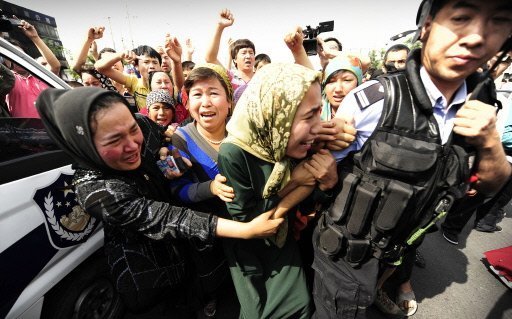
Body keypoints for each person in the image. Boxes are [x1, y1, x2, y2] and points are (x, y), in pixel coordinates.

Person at [313, 1, 512, 318]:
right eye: (461, 18)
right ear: (428, 26)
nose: (476, 36)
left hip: (401, 247)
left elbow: (492, 185)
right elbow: (316, 169)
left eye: (498, 21)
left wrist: (489, 141)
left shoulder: (482, 105)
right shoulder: (375, 100)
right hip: (347, 253)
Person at [35, 87, 284, 315]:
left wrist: (166, 151)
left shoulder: (142, 124)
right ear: (84, 145)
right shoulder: (95, 190)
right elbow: (168, 218)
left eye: (132, 130)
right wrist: (247, 230)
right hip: (151, 280)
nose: (132, 145)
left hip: (189, 260)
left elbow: (162, 133)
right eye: (114, 140)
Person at [218, 63, 338, 319]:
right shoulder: (234, 152)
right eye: (308, 116)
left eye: (320, 112)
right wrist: (293, 182)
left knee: (299, 305)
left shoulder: (292, 142)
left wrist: (326, 184)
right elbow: (245, 219)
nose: (318, 126)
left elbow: (307, 206)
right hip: (249, 247)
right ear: (276, 112)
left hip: (285, 240)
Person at [168, 64, 234, 318]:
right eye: (197, 94)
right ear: (187, 102)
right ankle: (211, 298)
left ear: (228, 101)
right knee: (211, 276)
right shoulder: (181, 139)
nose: (205, 102)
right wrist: (211, 188)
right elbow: (179, 191)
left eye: (213, 93)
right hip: (206, 225)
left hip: (244, 222)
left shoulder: (242, 132)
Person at [5, 20, 60, 118]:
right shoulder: (8, 80)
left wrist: (35, 37)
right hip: (25, 131)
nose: (17, 60)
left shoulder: (40, 75)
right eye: (12, 56)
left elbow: (55, 66)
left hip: (51, 130)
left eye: (20, 55)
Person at [95, 44, 162, 111]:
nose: (152, 66)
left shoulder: (167, 83)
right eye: (146, 62)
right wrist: (121, 55)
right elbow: (100, 67)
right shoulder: (134, 82)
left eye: (155, 62)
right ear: (136, 66)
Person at [205, 9, 256, 90]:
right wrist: (220, 27)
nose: (248, 56)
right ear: (235, 59)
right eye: (243, 53)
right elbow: (210, 58)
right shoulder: (229, 77)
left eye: (251, 52)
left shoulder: (261, 78)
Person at [321, 55, 363, 122]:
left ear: (359, 83)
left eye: (347, 80)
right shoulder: (315, 113)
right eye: (332, 81)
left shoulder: (368, 115)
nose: (338, 89)